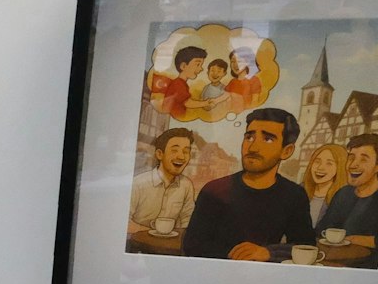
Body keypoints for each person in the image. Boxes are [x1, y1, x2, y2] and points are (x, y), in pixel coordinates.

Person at [182, 107, 315, 261]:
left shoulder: (294, 195)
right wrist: (235, 254)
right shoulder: (214, 190)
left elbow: (307, 246)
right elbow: (192, 244)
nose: (252, 147)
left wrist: (269, 253)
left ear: (286, 151)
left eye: (268, 139)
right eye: (249, 137)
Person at [316, 133, 378, 268]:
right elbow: (321, 230)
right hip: (334, 263)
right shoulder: (343, 194)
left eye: (363, 160)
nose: (353, 165)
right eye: (351, 158)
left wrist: (357, 239)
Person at [128, 128, 197, 237]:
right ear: (160, 154)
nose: (181, 156)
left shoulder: (186, 185)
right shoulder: (138, 183)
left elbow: (188, 221)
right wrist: (147, 232)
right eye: (174, 150)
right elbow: (123, 221)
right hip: (137, 246)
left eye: (186, 151)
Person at [147, 45, 206, 120]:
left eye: (201, 65)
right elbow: (188, 103)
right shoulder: (179, 84)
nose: (201, 68)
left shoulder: (181, 83)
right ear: (184, 66)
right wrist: (205, 103)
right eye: (198, 64)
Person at [302, 142, 351, 228]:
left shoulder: (344, 198)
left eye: (329, 163)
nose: (320, 167)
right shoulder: (297, 191)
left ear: (340, 168)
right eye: (317, 161)